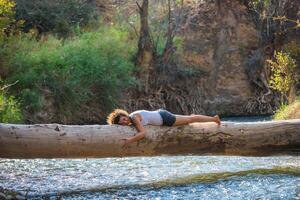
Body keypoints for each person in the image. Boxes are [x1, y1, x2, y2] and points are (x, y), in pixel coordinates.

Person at [106, 109, 221, 147]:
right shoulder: (133, 118)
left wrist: (130, 140)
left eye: (124, 118)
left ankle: (214, 119)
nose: (125, 121)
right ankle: (213, 118)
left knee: (190, 120)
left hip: (165, 119)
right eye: (123, 122)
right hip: (161, 114)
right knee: (189, 118)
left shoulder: (134, 118)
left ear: (125, 115)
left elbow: (143, 133)